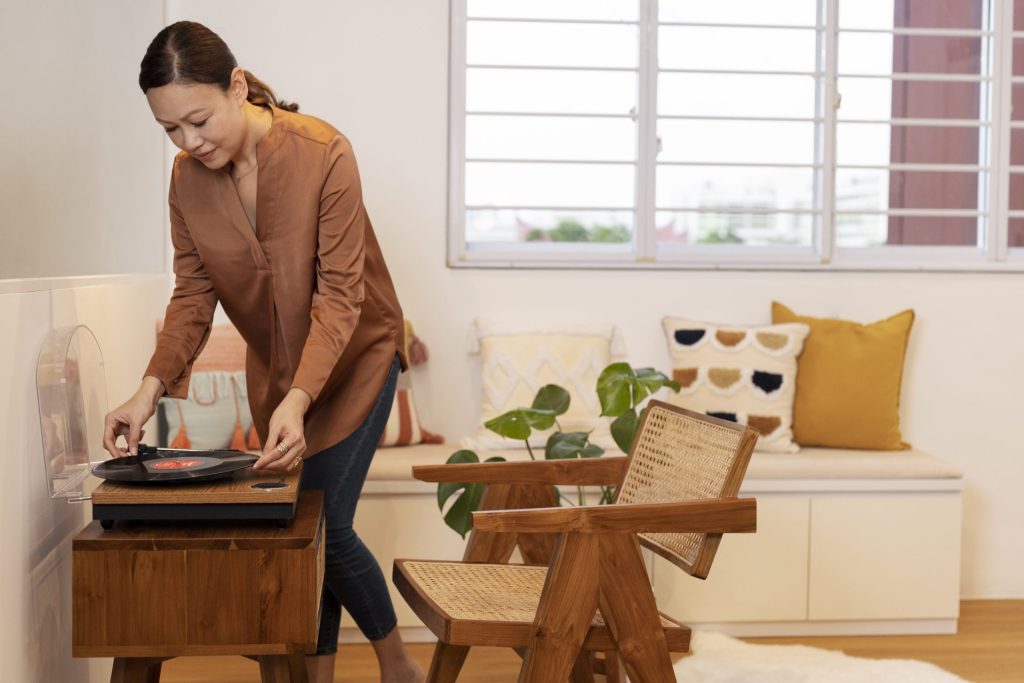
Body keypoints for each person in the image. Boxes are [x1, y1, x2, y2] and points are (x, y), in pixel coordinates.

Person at [101, 20, 425, 683]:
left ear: (237, 85)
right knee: (303, 524)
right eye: (170, 129)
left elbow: (342, 296)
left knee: (324, 522)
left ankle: (397, 664)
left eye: (198, 120)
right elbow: (193, 296)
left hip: (358, 357)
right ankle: (321, 674)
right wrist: (146, 390)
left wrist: (300, 400)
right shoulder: (186, 182)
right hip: (279, 374)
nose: (189, 142)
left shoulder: (325, 152)